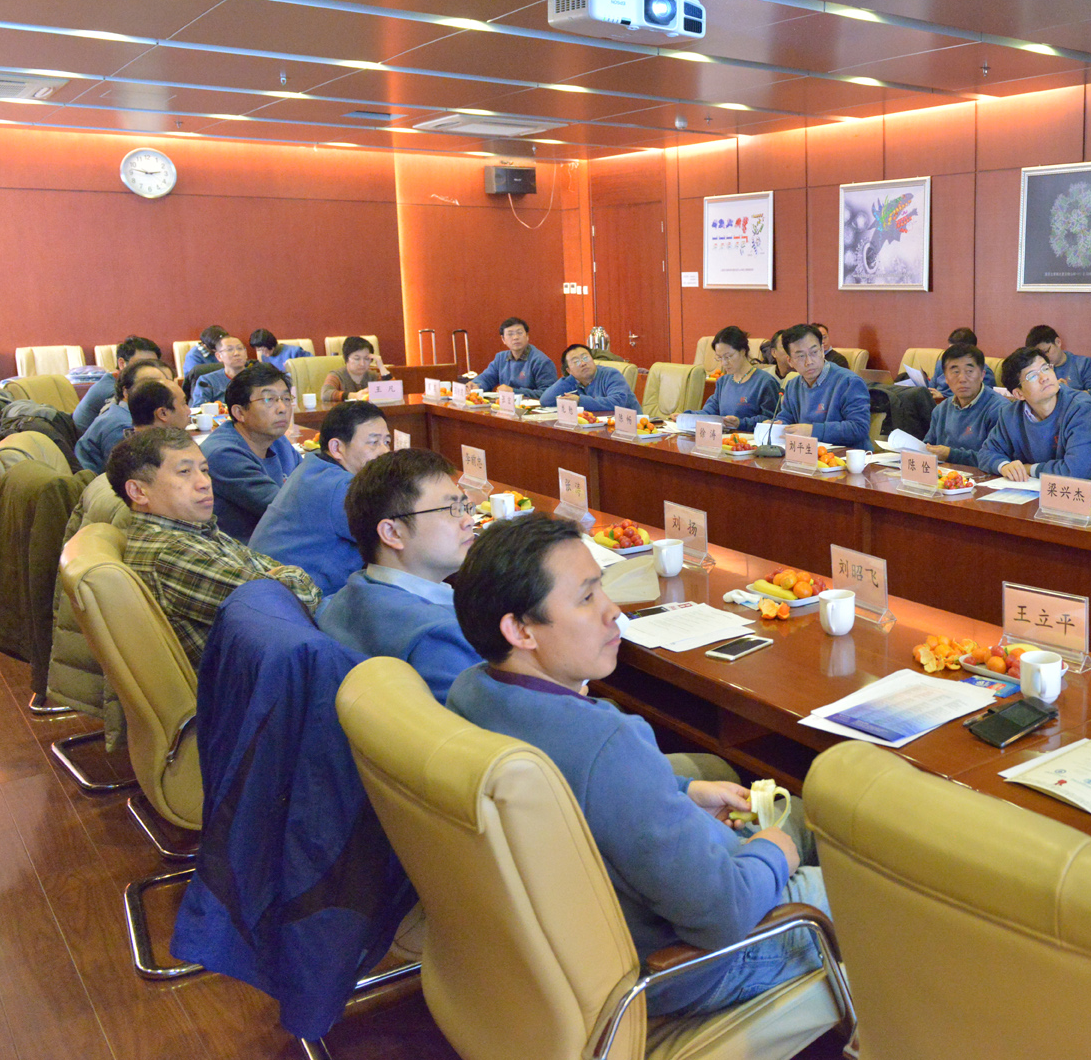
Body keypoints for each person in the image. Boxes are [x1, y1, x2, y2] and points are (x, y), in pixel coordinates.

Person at [446, 516, 827, 1017]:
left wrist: (681, 791)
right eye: (587, 598)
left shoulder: (471, 690)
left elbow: (590, 790)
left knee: (793, 814)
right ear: (519, 629)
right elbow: (725, 914)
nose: (614, 612)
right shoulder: (606, 743)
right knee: (874, 885)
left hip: (560, 951)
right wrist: (775, 852)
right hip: (680, 968)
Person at [109, 427, 320, 668]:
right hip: (268, 677)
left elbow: (276, 582)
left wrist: (280, 578)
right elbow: (295, 603)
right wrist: (292, 576)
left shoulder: (192, 530)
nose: (204, 483)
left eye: (204, 470)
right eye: (184, 472)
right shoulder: (173, 552)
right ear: (138, 492)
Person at [318, 449, 481, 700]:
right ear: (392, 533)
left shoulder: (343, 597)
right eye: (451, 509)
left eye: (465, 506)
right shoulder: (439, 636)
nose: (469, 520)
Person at [249, 401, 392, 594]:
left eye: (386, 442)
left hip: (272, 591)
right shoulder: (339, 487)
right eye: (374, 442)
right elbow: (397, 536)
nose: (384, 451)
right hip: (296, 599)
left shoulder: (315, 467)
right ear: (336, 447)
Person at [978, 347, 1091, 481]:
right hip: (1031, 490)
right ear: (1019, 394)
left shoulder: (1081, 408)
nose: (1044, 378)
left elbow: (1076, 471)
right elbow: (986, 453)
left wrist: (1029, 469)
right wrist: (1004, 466)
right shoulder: (1010, 414)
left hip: (1089, 492)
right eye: (1032, 376)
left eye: (1045, 368)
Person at [202, 362, 301, 541]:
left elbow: (311, 483)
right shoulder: (224, 454)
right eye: (268, 399)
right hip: (247, 551)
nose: (282, 409)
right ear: (239, 412)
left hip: (283, 538)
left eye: (286, 399)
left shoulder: (277, 440)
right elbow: (285, 509)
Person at [775, 324, 871, 448]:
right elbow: (786, 418)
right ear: (790, 361)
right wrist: (776, 425)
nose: (809, 362)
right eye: (800, 356)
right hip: (807, 453)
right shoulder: (792, 385)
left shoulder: (849, 382)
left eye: (814, 352)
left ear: (822, 351)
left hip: (845, 456)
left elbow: (859, 428)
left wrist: (812, 431)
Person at [74, 358, 177, 473]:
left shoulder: (123, 412)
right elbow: (128, 475)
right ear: (126, 392)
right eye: (149, 386)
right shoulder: (122, 427)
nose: (161, 392)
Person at [923, 342, 1006, 467]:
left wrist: (951, 455)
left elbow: (996, 458)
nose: (962, 379)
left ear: (982, 375)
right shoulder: (940, 409)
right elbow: (927, 446)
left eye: (969, 371)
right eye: (955, 372)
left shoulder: (999, 409)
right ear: (946, 378)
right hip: (943, 476)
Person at [73, 335, 163, 434]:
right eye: (141, 364)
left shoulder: (120, 382)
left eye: (153, 364)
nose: (149, 370)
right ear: (122, 363)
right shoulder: (111, 390)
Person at [698, 326, 780, 431]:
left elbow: (771, 419)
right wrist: (684, 416)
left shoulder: (765, 382)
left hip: (750, 439)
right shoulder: (723, 381)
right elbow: (709, 412)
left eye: (728, 357)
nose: (724, 363)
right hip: (725, 438)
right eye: (720, 357)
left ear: (742, 351)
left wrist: (741, 423)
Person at [471, 317, 558, 395]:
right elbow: (487, 378)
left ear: (527, 336)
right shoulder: (501, 358)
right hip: (506, 405)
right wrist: (475, 385)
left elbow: (548, 394)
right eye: (510, 334)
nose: (515, 337)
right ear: (503, 339)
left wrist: (514, 392)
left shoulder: (541, 361)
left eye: (519, 333)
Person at [539, 344, 640, 410]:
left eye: (585, 358)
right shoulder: (574, 381)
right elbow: (546, 400)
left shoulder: (611, 374)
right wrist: (570, 378)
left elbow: (617, 402)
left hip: (632, 428)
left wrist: (580, 401)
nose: (583, 363)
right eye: (576, 362)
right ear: (569, 370)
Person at [1025, 324, 1091, 398]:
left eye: (1046, 351)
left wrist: (1069, 391)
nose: (1045, 358)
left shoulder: (1083, 363)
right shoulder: (1037, 371)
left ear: (1058, 342)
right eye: (1040, 355)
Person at [319, 336, 391, 405]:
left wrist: (381, 367)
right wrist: (354, 396)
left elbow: (392, 391)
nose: (362, 364)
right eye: (357, 359)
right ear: (346, 358)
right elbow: (325, 394)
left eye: (366, 359)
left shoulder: (373, 375)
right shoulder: (337, 375)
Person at [928, 327, 995, 399]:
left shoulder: (983, 371)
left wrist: (943, 398)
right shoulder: (942, 364)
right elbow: (930, 388)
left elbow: (984, 399)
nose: (952, 354)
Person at [191, 334, 251, 406]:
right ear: (219, 356)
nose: (236, 353)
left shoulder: (258, 377)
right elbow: (199, 408)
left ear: (246, 353)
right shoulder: (207, 381)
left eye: (240, 348)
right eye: (230, 349)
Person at [127, 376, 193, 433]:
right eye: (183, 403)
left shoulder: (133, 441)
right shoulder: (165, 444)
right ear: (163, 413)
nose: (189, 411)